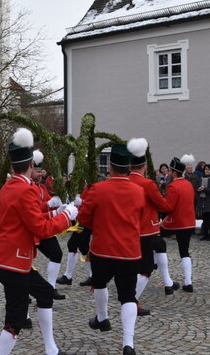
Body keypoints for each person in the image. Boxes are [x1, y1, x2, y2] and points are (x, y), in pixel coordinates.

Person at [0, 128, 76, 355]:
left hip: (6, 259)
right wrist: (67, 217)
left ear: (12, 167)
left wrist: (57, 211)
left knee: (45, 293)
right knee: (15, 320)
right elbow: (40, 229)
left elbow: (29, 218)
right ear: (31, 165)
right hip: (15, 262)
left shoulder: (8, 186)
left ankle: (51, 349)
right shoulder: (26, 189)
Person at [78, 143, 144, 355]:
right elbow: (140, 217)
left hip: (103, 249)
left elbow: (84, 218)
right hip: (129, 250)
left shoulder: (98, 188)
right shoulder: (138, 191)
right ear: (128, 167)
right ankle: (128, 343)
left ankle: (103, 318)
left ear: (111, 166)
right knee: (128, 296)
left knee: (99, 283)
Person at [126, 138, 172, 317]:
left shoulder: (125, 181)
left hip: (128, 229)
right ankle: (131, 300)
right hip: (145, 229)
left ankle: (166, 282)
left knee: (133, 265)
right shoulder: (147, 184)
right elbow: (164, 206)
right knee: (146, 267)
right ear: (144, 165)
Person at [33, 150, 67, 300]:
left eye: (42, 171)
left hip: (42, 227)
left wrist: (59, 207)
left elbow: (48, 205)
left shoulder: (42, 187)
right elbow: (33, 209)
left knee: (56, 253)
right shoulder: (28, 187)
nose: (40, 174)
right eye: (37, 171)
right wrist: (48, 204)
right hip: (31, 229)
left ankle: (51, 287)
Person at [161, 156, 196, 293]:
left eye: (170, 171)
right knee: (184, 251)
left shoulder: (173, 186)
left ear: (174, 172)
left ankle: (156, 266)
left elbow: (169, 207)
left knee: (155, 240)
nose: (169, 173)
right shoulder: (188, 184)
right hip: (188, 222)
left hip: (175, 222)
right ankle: (188, 283)